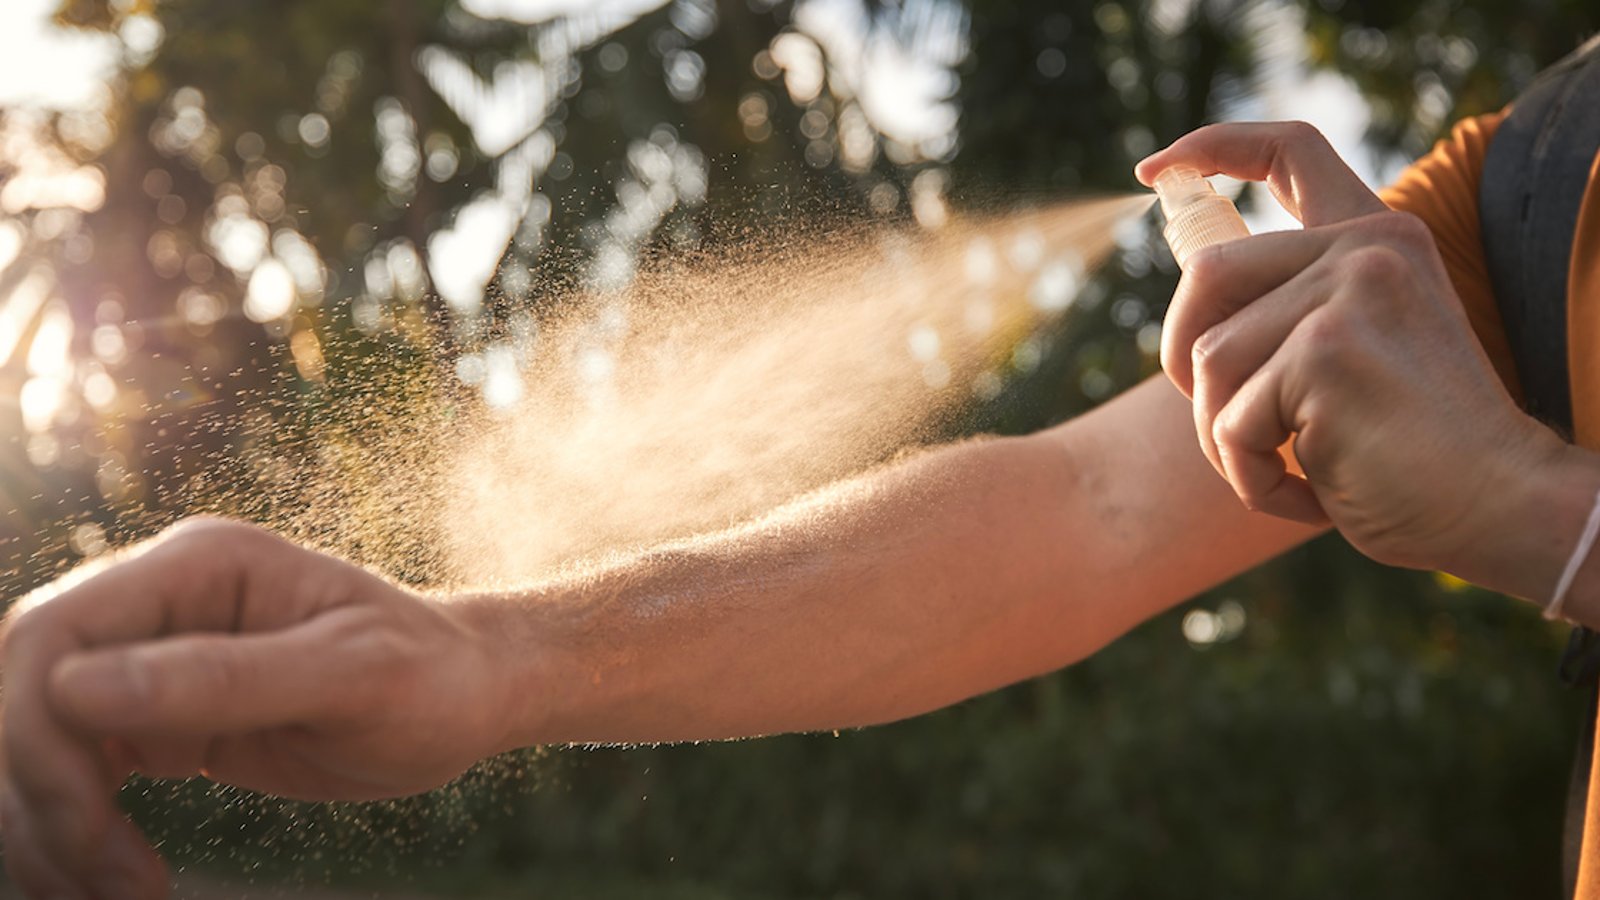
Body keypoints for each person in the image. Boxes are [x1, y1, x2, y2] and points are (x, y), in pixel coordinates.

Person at [5, 49, 1600, 900]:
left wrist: (1546, 520)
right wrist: (484, 655)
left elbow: (1526, 508)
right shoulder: (1549, 178)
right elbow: (1087, 509)